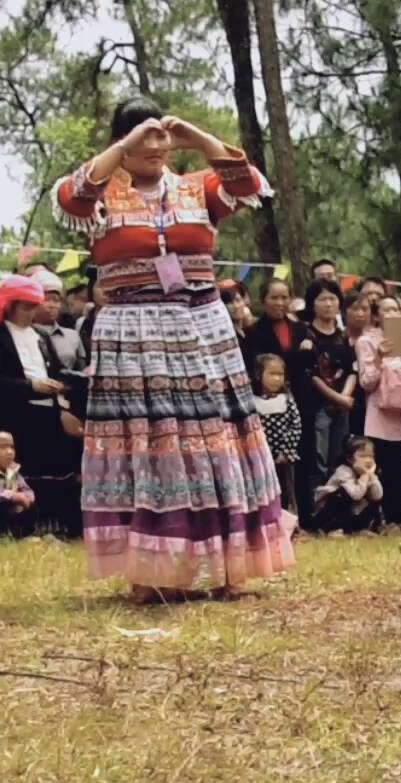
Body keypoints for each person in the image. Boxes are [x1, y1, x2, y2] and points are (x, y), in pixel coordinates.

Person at [54, 98, 291, 599]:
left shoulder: (195, 187)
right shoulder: (103, 192)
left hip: (201, 327)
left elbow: (247, 183)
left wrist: (198, 138)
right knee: (148, 446)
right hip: (132, 334)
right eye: (144, 139)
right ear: (122, 142)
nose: (155, 148)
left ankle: (231, 570)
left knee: (214, 441)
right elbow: (73, 198)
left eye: (160, 139)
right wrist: (121, 149)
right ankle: (150, 576)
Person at [0, 274, 81, 484]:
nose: (30, 313)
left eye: (33, 307)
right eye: (25, 307)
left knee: (51, 476)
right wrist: (31, 386)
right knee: (15, 479)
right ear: (9, 306)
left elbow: (57, 369)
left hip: (47, 414)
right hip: (12, 418)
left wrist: (61, 385)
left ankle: (51, 514)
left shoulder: (41, 336)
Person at [356, 294, 401, 527]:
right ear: (376, 316)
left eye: (396, 309)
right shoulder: (366, 342)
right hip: (379, 416)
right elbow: (367, 383)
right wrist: (379, 357)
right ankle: (378, 520)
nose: (392, 314)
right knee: (381, 470)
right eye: (386, 309)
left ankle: (400, 519)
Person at [301, 278, 357, 526]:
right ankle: (316, 514)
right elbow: (310, 374)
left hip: (341, 406)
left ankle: (337, 514)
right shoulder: (306, 335)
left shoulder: (343, 337)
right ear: (312, 304)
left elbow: (352, 369)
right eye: (322, 299)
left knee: (338, 459)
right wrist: (337, 398)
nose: (328, 304)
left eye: (332, 298)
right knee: (318, 460)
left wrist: (346, 396)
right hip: (318, 406)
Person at [254, 354, 303, 519]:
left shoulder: (287, 400)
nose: (276, 379)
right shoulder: (252, 402)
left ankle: (289, 524)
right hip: (260, 456)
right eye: (271, 374)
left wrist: (285, 451)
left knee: (286, 490)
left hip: (283, 458)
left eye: (280, 375)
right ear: (258, 375)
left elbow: (295, 425)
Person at [313, 437, 384, 535]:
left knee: (373, 498)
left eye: (371, 456)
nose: (368, 460)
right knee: (342, 495)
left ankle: (362, 528)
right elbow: (355, 495)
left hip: (353, 513)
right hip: (330, 514)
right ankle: (332, 528)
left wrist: (371, 476)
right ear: (350, 458)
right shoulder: (343, 472)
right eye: (362, 456)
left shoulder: (368, 473)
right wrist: (364, 476)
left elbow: (378, 496)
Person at [242, 277, 311, 376]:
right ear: (263, 300)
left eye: (284, 298)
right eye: (274, 298)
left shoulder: (301, 328)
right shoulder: (252, 332)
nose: (280, 303)